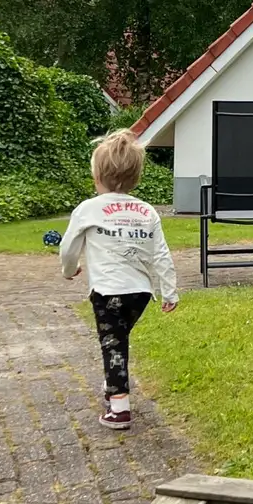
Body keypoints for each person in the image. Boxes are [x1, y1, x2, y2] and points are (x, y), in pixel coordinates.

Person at [60, 129, 178, 430]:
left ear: (97, 176)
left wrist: (69, 270)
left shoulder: (88, 209)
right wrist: (169, 292)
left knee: (112, 343)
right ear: (135, 177)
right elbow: (161, 254)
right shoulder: (147, 211)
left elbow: (68, 247)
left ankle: (119, 408)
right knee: (118, 339)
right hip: (140, 294)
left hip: (107, 290)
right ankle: (114, 380)